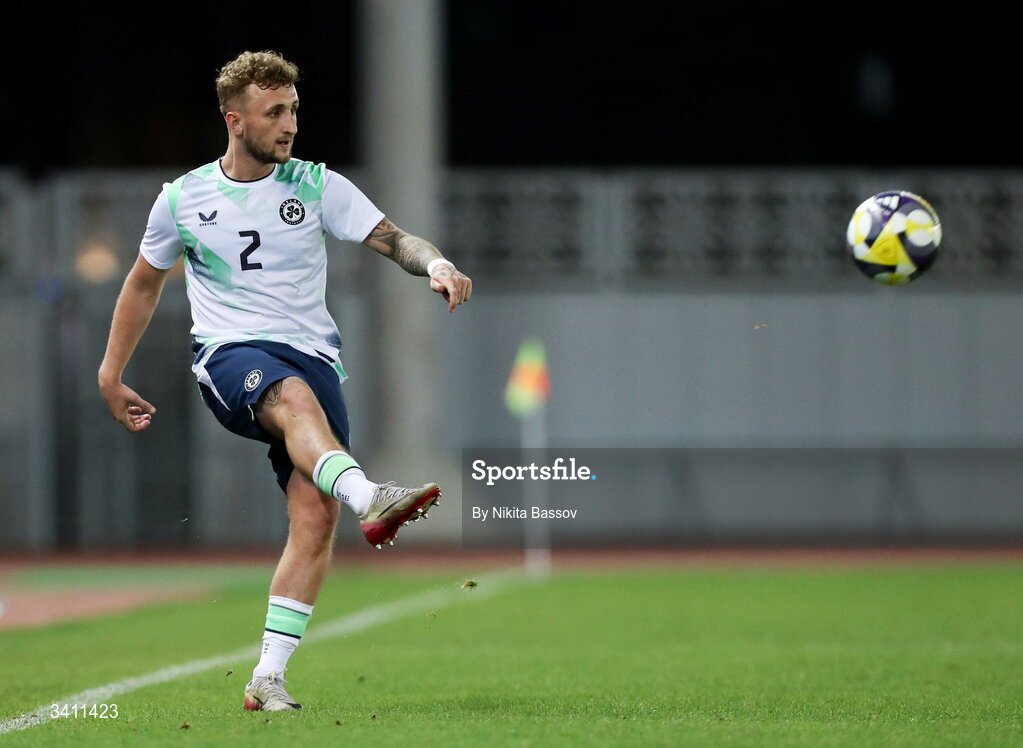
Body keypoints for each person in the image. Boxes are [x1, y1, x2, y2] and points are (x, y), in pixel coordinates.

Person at [97, 50, 472, 712]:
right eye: (274, 112)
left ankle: (267, 677)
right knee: (293, 403)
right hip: (230, 354)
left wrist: (436, 264)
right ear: (235, 120)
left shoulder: (316, 185)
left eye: (294, 109)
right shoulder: (181, 199)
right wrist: (111, 372)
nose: (290, 124)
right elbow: (144, 284)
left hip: (314, 357)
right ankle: (371, 494)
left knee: (314, 514)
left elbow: (394, 240)